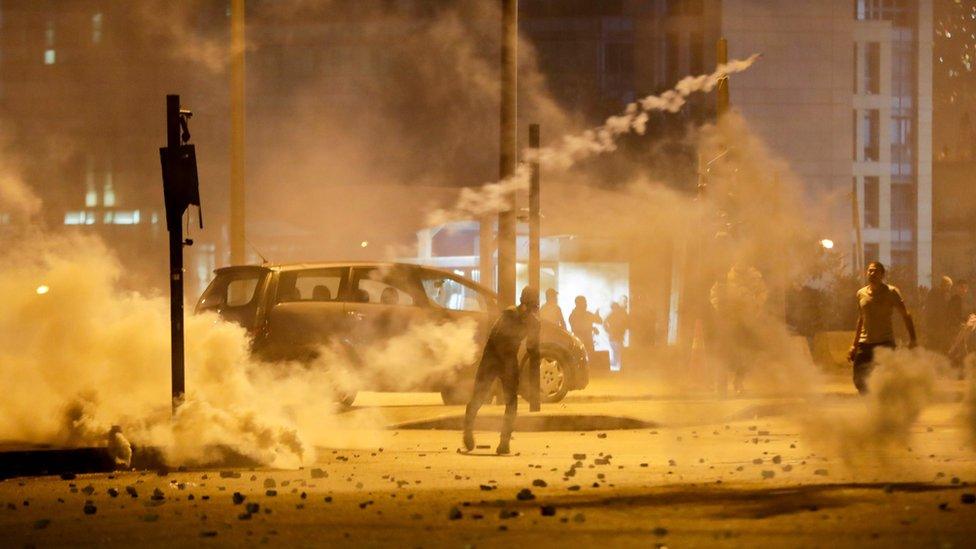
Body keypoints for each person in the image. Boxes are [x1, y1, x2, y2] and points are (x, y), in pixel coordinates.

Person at [463, 286, 541, 455]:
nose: (531, 311)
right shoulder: (509, 314)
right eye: (530, 306)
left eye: (534, 308)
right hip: (492, 357)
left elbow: (533, 349)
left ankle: (504, 442)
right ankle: (467, 430)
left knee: (511, 401)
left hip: (509, 359)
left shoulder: (533, 322)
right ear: (524, 303)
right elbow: (497, 339)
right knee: (479, 396)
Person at [848, 261, 917, 395]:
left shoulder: (891, 292)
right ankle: (869, 406)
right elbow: (861, 319)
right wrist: (854, 345)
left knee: (884, 380)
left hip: (884, 344)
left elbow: (906, 315)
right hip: (865, 344)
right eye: (870, 271)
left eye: (875, 271)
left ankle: (884, 409)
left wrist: (913, 339)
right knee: (859, 380)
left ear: (882, 275)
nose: (872, 273)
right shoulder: (860, 293)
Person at [924, 276, 953, 353]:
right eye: (949, 286)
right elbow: (935, 310)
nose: (950, 289)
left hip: (938, 324)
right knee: (934, 345)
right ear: (945, 285)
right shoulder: (936, 293)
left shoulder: (941, 293)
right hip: (935, 324)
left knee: (937, 345)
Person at [604, 300, 630, 372]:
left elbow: (627, 323)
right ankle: (619, 366)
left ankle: (617, 365)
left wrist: (608, 330)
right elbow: (604, 322)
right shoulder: (615, 314)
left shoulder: (614, 314)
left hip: (615, 337)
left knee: (617, 352)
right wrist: (608, 330)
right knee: (619, 352)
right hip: (615, 337)